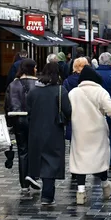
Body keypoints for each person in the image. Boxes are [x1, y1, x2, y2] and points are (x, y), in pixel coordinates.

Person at [69, 66, 111, 203]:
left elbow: (67, 110)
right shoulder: (100, 92)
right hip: (98, 131)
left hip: (80, 131)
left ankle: (80, 192)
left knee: (80, 161)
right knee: (100, 159)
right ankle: (105, 185)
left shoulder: (73, 93)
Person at [25, 62, 72, 205]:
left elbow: (28, 111)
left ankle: (36, 181)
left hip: (35, 131)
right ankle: (47, 195)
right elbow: (68, 111)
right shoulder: (60, 90)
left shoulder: (33, 91)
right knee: (51, 161)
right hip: (54, 130)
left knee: (39, 160)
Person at [6, 58, 41, 194]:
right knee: (35, 149)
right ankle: (33, 176)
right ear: (31, 68)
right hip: (34, 119)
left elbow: (7, 104)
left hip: (17, 119)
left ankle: (24, 184)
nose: (36, 70)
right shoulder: (38, 84)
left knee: (22, 151)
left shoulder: (13, 84)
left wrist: (9, 124)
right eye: (35, 67)